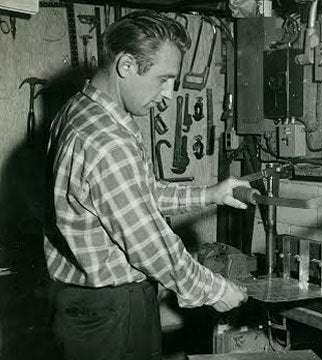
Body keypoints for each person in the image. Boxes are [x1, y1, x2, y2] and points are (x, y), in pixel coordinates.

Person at [44, 10, 248, 360]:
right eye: (163, 79)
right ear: (125, 66)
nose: (168, 94)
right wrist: (215, 291)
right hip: (111, 313)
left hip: (86, 305)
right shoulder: (106, 140)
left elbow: (137, 195)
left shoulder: (81, 111)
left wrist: (210, 194)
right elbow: (149, 245)